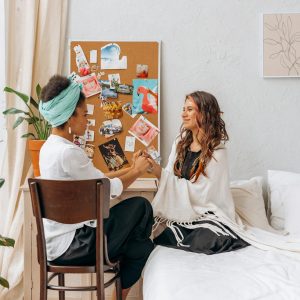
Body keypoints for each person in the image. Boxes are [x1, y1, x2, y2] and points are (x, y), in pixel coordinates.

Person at [39, 75, 154, 299]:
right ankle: (125, 258)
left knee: (141, 248)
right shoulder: (68, 152)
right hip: (77, 245)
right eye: (84, 115)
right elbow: (107, 189)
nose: (88, 120)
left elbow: (98, 178)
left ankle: (128, 255)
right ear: (69, 118)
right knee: (141, 206)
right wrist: (138, 171)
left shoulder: (49, 148)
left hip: (56, 245)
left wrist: (129, 167)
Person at [146, 91, 249, 254]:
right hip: (180, 213)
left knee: (210, 239)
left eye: (189, 109)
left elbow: (203, 195)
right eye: (183, 109)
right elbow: (169, 178)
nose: (183, 114)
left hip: (207, 214)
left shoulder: (217, 152)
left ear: (204, 114)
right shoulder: (179, 144)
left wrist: (159, 173)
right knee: (155, 232)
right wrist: (154, 169)